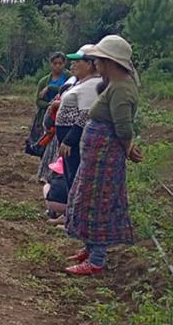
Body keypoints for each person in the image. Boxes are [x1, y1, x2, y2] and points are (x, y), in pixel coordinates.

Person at [65, 35, 143, 276]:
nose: (94, 62)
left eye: (98, 59)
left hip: (105, 158)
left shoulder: (122, 89)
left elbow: (123, 127)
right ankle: (90, 249)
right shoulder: (114, 83)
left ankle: (96, 260)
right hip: (96, 156)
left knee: (99, 202)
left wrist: (128, 148)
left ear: (110, 61)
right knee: (88, 197)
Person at [56, 45, 101, 189]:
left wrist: (69, 140)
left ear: (89, 64)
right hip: (69, 140)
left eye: (77, 61)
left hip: (75, 142)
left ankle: (76, 210)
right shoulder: (80, 82)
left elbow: (86, 115)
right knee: (70, 178)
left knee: (76, 179)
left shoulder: (92, 85)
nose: (73, 64)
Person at [29, 52, 71, 147]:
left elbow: (68, 88)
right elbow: (38, 101)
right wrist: (50, 105)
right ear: (50, 64)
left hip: (64, 115)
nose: (57, 66)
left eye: (60, 63)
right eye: (55, 63)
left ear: (64, 64)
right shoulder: (43, 81)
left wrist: (50, 87)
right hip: (48, 117)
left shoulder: (69, 77)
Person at [44, 157, 68, 225]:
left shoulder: (53, 178)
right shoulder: (72, 179)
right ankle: (65, 216)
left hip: (52, 204)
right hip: (68, 206)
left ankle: (51, 211)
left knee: (46, 186)